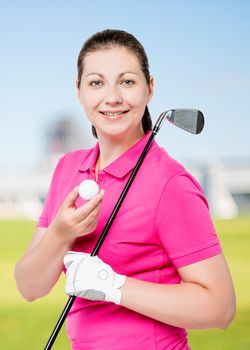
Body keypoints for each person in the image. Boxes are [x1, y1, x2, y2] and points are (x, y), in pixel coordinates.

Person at [15, 29, 236, 350]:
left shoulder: (170, 183)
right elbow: (29, 286)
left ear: (150, 88)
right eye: (96, 82)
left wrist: (114, 286)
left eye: (128, 81)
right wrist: (60, 234)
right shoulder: (68, 168)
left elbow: (220, 309)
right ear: (78, 91)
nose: (112, 97)